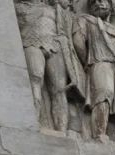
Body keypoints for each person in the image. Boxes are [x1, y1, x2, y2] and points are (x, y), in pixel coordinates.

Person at [73, 0, 115, 144]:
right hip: (100, 63)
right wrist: (91, 63)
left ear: (110, 6)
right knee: (104, 93)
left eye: (101, 0)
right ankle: (99, 135)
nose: (97, 3)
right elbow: (78, 42)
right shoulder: (85, 20)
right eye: (93, 2)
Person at [15, 0, 83, 132]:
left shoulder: (58, 11)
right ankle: (34, 121)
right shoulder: (20, 6)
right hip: (31, 41)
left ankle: (61, 130)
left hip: (55, 45)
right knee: (36, 78)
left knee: (59, 89)